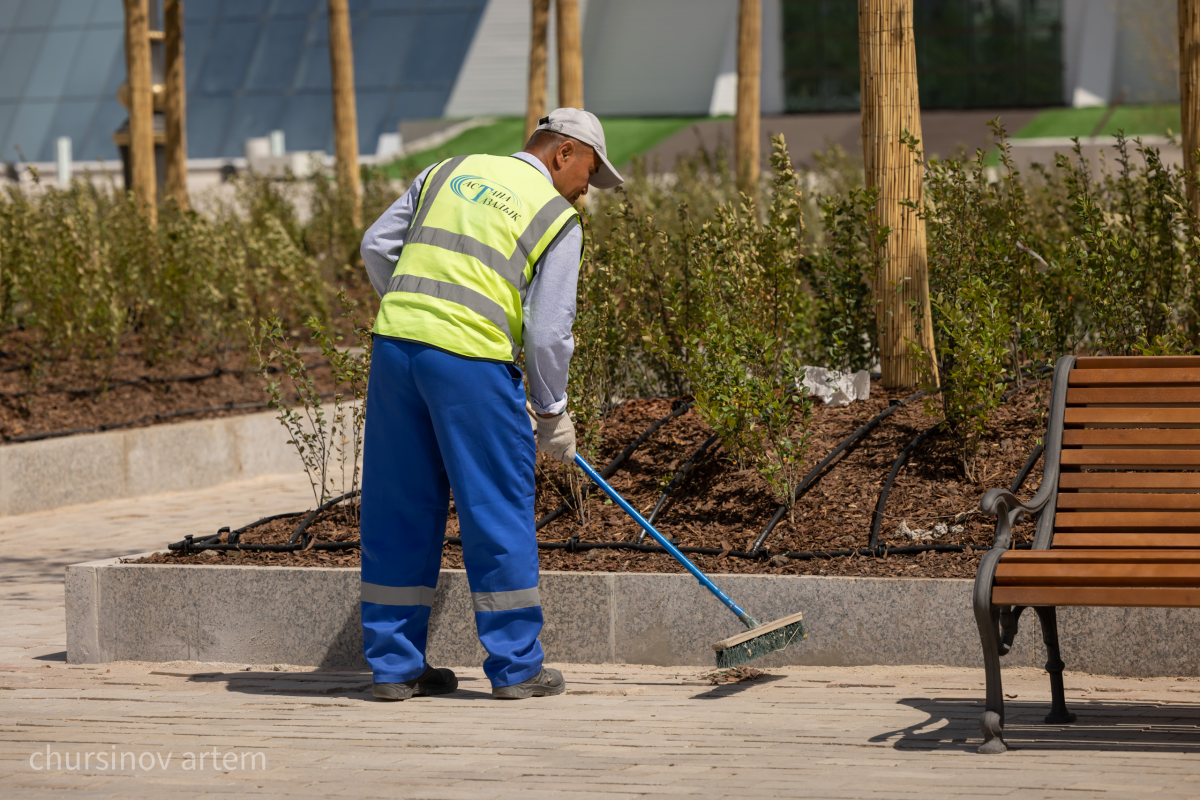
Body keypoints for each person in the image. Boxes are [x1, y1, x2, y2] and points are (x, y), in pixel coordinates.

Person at [358, 109, 624, 701]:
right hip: (472, 363)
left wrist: (418, 314)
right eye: (588, 172)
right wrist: (552, 409)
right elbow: (550, 330)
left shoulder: (446, 171)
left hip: (396, 350)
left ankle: (394, 666)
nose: (587, 190)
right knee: (495, 506)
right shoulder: (557, 216)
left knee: (397, 506)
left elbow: (376, 245)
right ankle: (515, 667)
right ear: (562, 153)